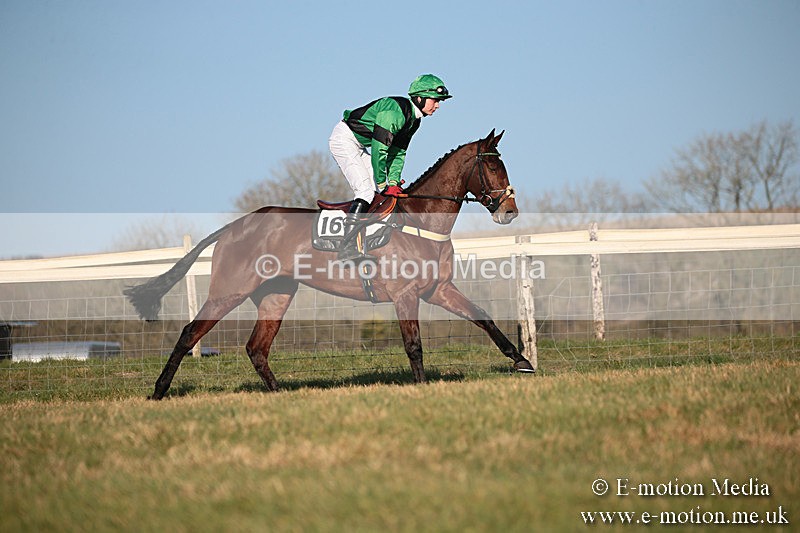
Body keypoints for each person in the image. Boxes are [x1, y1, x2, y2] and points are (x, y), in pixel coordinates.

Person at [329, 74, 452, 260]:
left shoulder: (414, 121)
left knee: (377, 193)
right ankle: (346, 247)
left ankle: (365, 241)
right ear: (419, 98)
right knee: (366, 192)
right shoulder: (395, 113)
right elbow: (380, 149)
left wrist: (393, 181)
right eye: (435, 100)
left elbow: (398, 152)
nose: (438, 105)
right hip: (344, 140)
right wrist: (382, 183)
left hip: (359, 145)